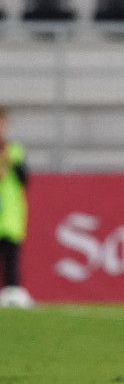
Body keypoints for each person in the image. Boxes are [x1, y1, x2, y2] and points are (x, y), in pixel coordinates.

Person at [0, 106, 33, 309]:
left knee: (11, 257)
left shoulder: (15, 151)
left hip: (10, 214)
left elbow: (25, 178)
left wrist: (12, 164)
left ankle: (12, 294)